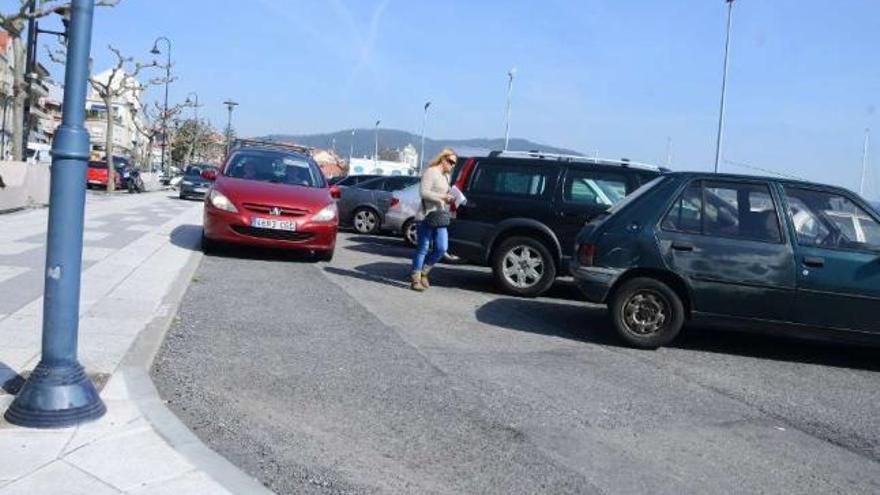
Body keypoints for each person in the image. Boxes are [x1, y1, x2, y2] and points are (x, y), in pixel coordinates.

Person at [410, 148, 457, 291]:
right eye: (450, 161)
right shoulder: (431, 172)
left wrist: (450, 199)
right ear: (443, 159)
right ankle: (415, 279)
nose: (452, 165)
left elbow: (444, 195)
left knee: (442, 248)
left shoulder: (446, 176)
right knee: (423, 248)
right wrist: (442, 197)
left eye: (454, 163)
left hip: (439, 217)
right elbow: (423, 193)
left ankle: (424, 272)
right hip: (425, 216)